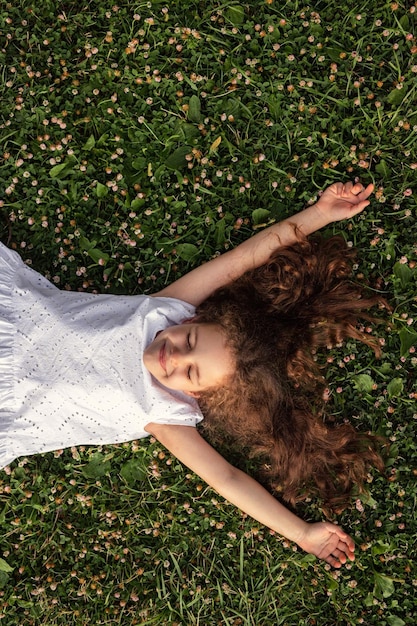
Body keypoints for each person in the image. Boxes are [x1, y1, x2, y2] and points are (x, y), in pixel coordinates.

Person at [0, 181, 382, 568]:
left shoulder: (167, 414)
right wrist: (319, 213)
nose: (175, 356)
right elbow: (241, 260)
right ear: (198, 318)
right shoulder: (169, 309)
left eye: (191, 372)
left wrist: (302, 533)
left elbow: (229, 480)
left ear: (201, 396)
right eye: (191, 339)